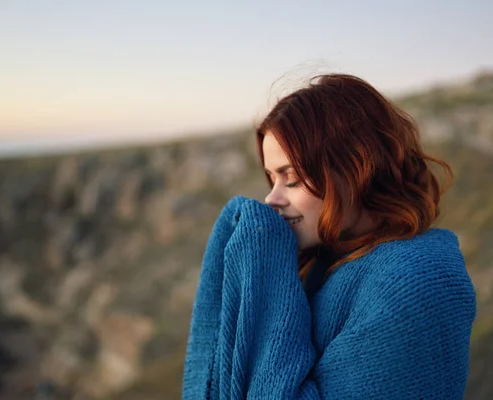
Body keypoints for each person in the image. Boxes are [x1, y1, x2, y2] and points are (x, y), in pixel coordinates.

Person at [182, 73, 477, 399]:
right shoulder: (324, 263)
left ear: (355, 169)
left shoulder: (414, 279)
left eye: (291, 178)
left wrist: (260, 265)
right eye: (271, 178)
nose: (271, 199)